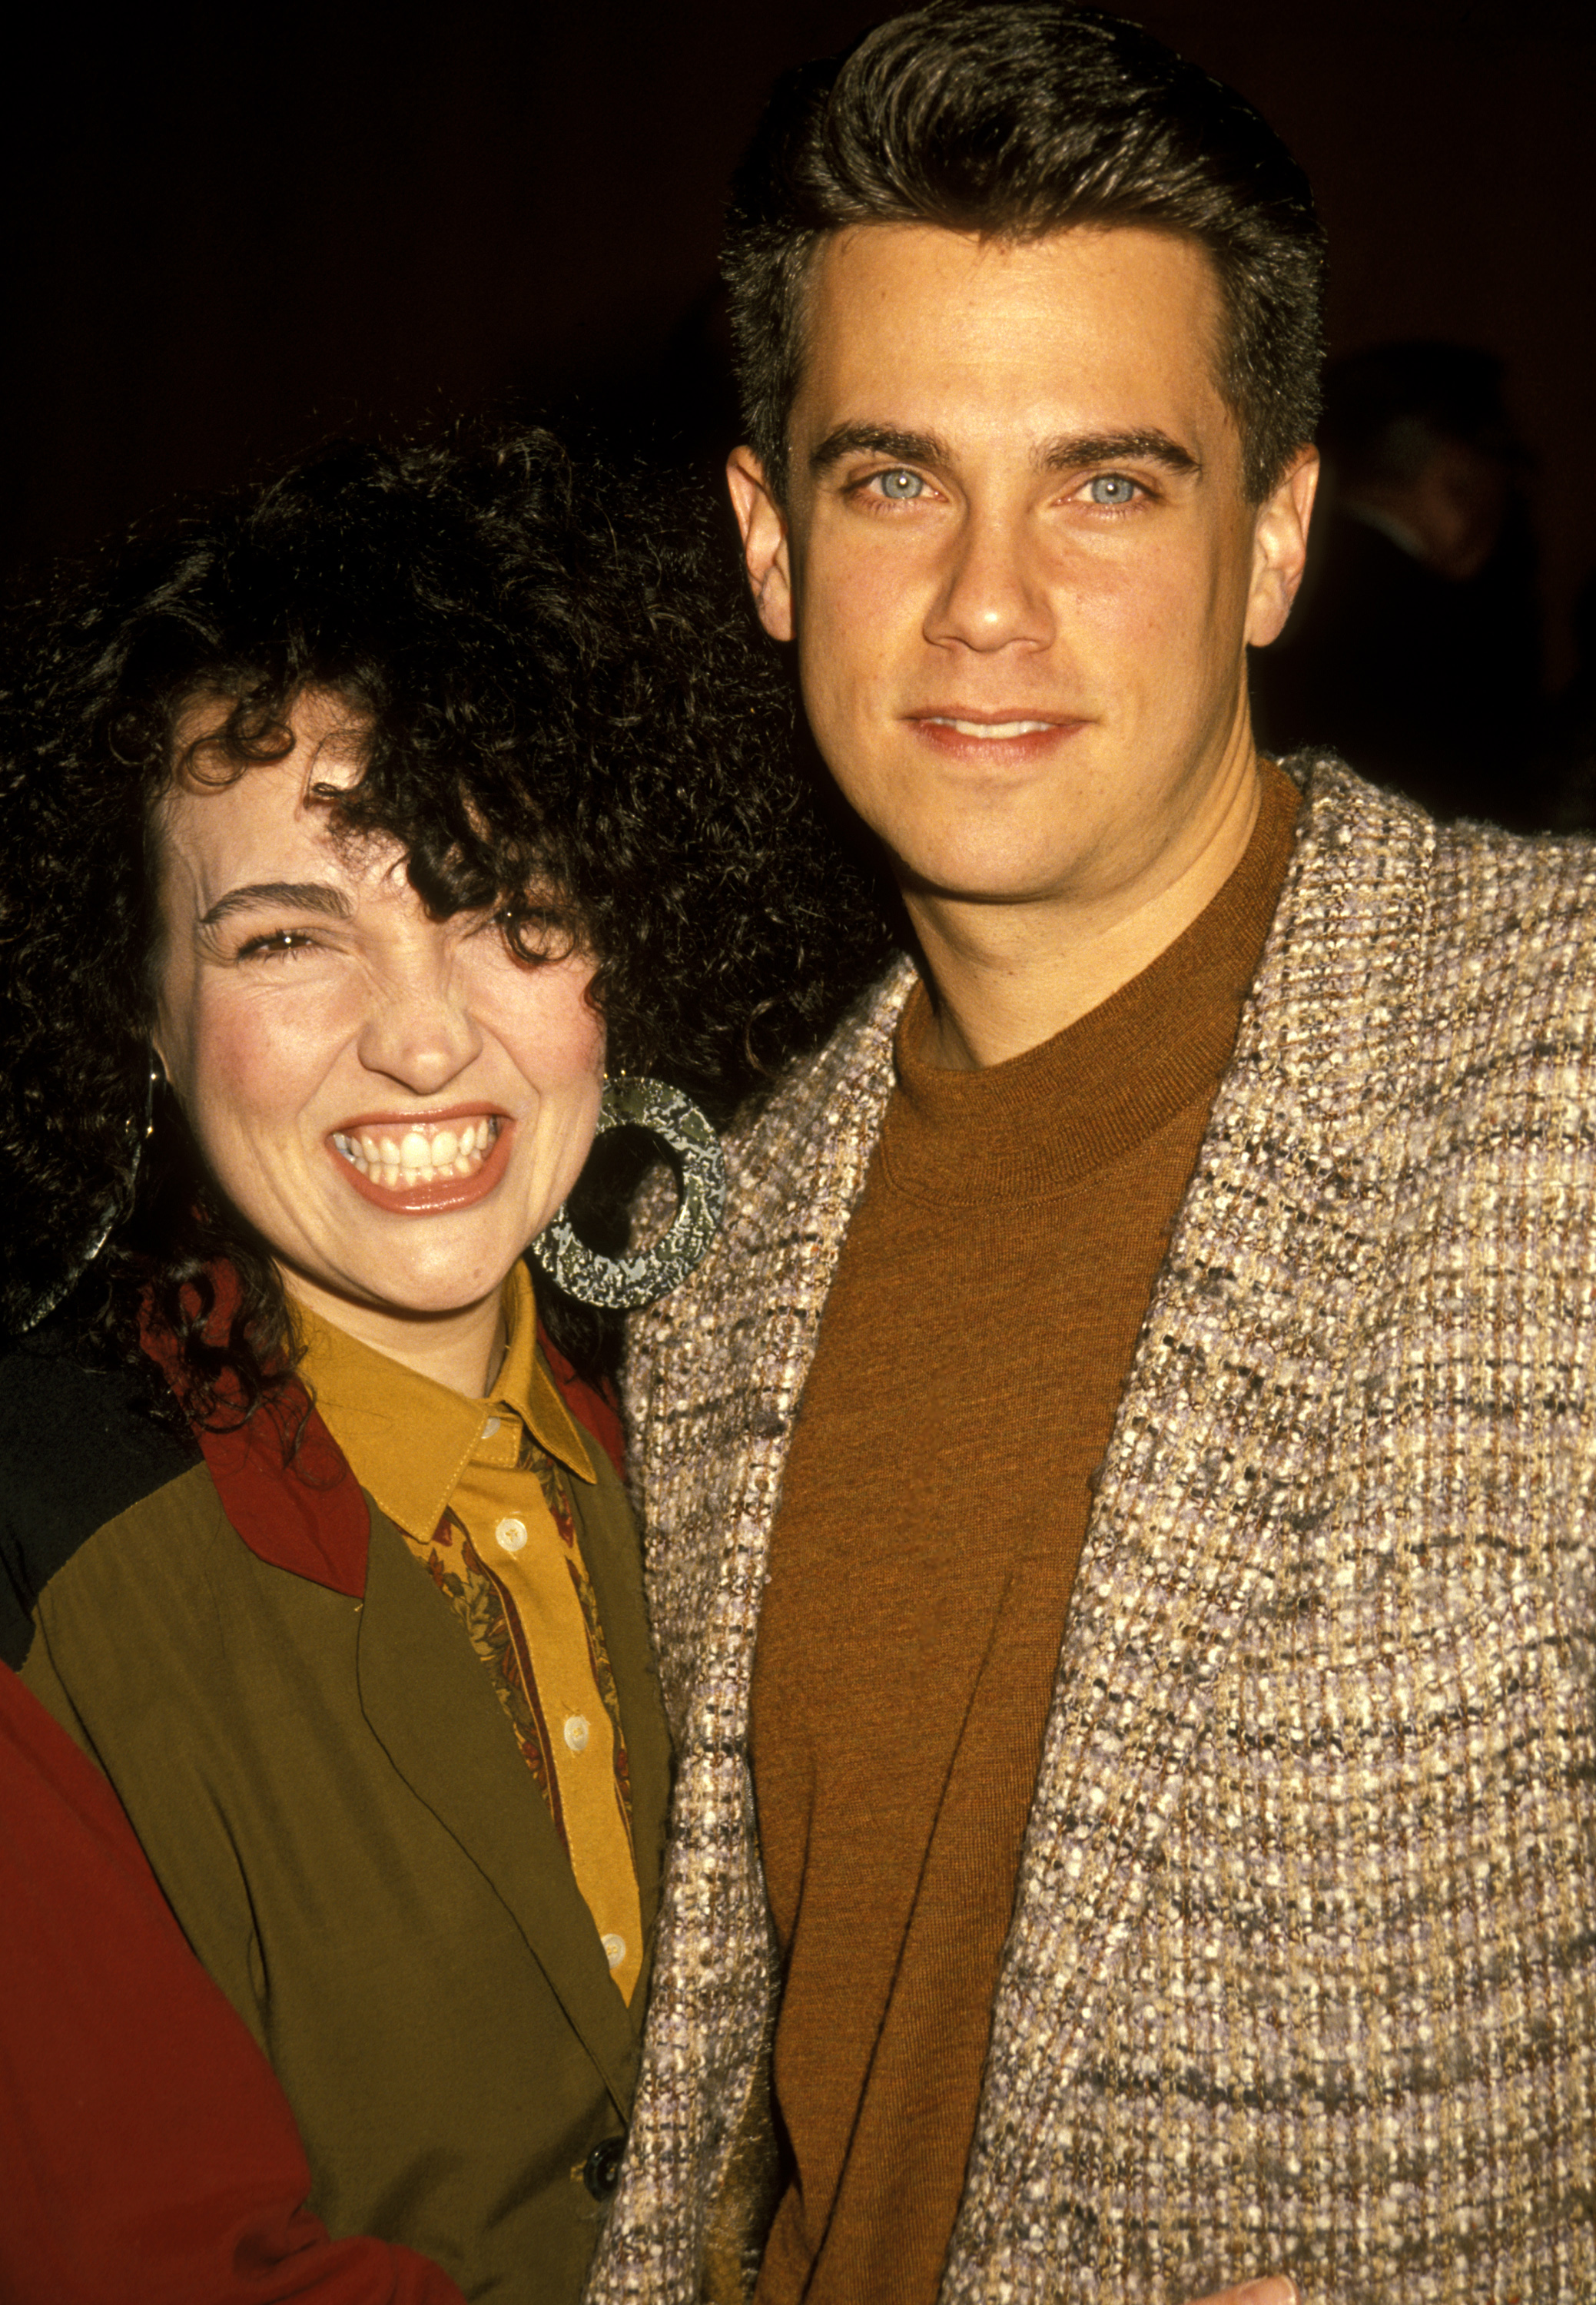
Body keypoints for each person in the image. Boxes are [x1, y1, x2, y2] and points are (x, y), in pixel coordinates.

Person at [582, 8, 1596, 2304]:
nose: (985, 601)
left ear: (1275, 538)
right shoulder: (711, 1253)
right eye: (891, 477)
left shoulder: (1560, 1061)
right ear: (763, 540)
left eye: (1107, 482)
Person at [0, 425, 889, 2304]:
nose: (422, 1040)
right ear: (143, 1015)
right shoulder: (36, 1549)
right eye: (283, 937)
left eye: (504, 907)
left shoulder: (736, 1435)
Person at [1252, 340, 1544, 825]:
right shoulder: (1463, 630)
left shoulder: (1270, 578)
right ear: (1456, 474)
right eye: (1504, 465)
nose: (1508, 499)